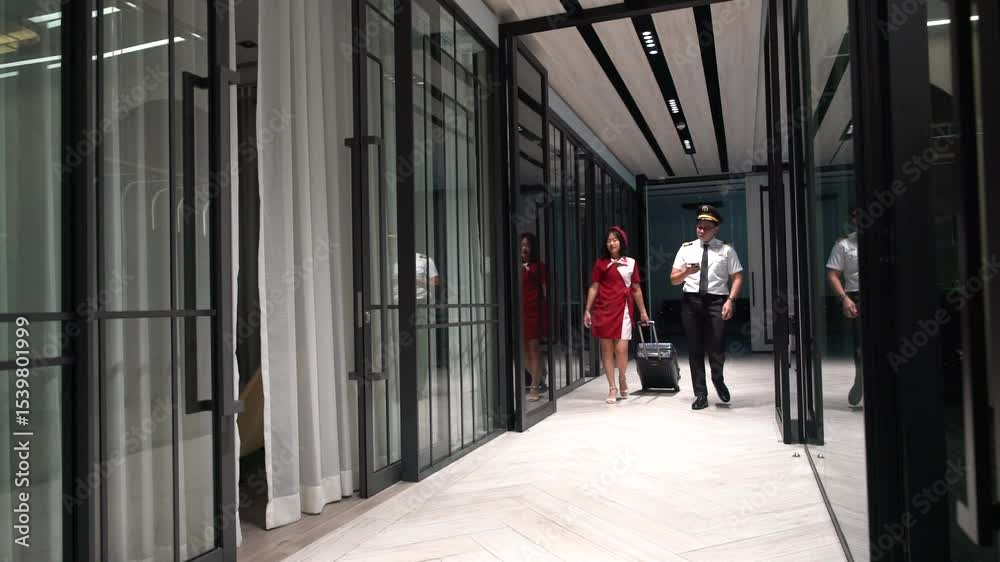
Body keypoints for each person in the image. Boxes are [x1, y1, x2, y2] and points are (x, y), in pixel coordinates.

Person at [670, 205, 743, 410]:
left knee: (717, 346)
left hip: (716, 302)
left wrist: (731, 300)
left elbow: (737, 277)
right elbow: (673, 280)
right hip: (691, 301)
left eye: (706, 227)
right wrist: (685, 272)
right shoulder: (686, 248)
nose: (701, 230)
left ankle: (718, 379)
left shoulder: (727, 250)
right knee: (695, 349)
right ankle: (700, 394)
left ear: (716, 228)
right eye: (699, 227)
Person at [584, 226, 650, 404]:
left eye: (615, 239)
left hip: (624, 311)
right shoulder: (600, 264)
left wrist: (643, 312)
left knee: (621, 350)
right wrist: (587, 310)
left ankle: (622, 376)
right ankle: (612, 387)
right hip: (603, 310)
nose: (612, 243)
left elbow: (636, 289)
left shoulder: (631, 263)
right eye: (609, 240)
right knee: (606, 350)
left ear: (621, 242)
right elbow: (594, 287)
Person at [826, 207, 862, 406]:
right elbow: (832, 274)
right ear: (853, 220)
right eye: (856, 216)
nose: (860, 219)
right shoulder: (844, 245)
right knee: (860, 347)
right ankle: (860, 380)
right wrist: (845, 298)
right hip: (856, 296)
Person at [520, 233, 547, 402]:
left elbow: (544, 290)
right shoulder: (516, 266)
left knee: (533, 350)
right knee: (523, 352)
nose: (524, 248)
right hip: (519, 312)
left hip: (534, 311)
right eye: (522, 245)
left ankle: (534, 386)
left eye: (527, 245)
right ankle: (538, 376)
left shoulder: (539, 267)